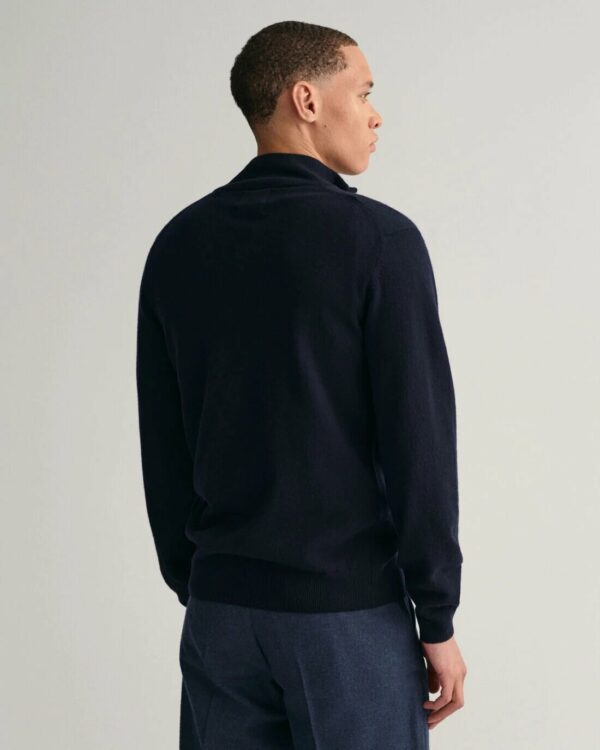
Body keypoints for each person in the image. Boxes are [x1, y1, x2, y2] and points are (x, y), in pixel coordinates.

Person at [135, 19, 467, 749]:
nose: (376, 115)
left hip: (221, 616)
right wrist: (437, 616)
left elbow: (162, 442)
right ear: (307, 100)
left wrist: (203, 581)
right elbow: (418, 442)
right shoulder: (379, 242)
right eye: (364, 92)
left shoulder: (179, 245)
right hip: (344, 616)